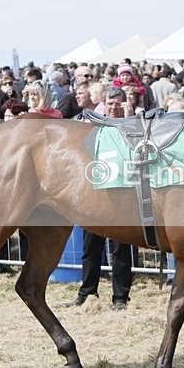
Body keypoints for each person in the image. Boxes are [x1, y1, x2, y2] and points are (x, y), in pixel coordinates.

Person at [65, 87, 136, 310]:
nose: (114, 107)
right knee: (90, 247)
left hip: (123, 196)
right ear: (103, 104)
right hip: (96, 194)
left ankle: (120, 298)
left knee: (120, 250)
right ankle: (87, 292)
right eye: (110, 103)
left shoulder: (132, 128)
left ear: (123, 104)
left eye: (118, 103)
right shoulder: (94, 129)